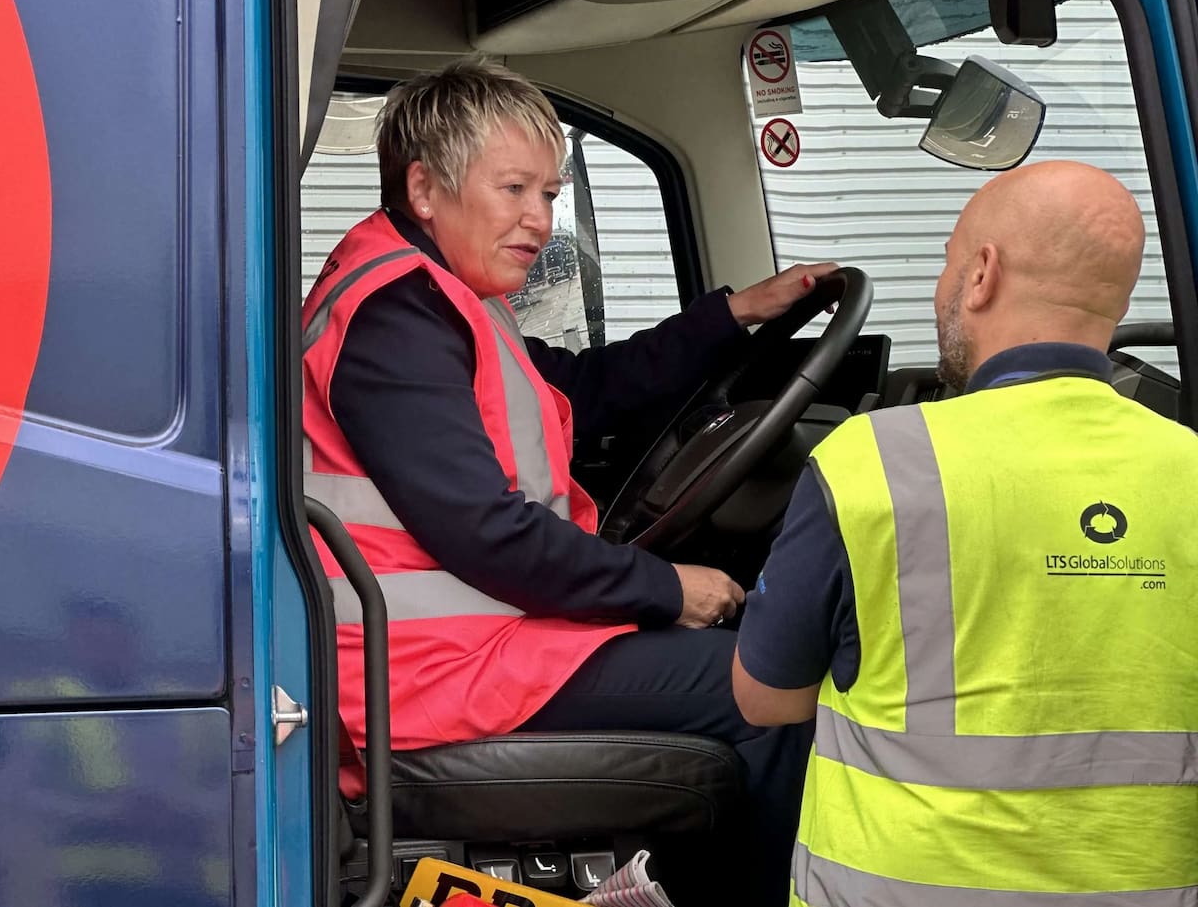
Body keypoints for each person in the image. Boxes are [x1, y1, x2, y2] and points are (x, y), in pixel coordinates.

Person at [302, 57, 833, 904]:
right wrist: (666, 587)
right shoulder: (397, 320)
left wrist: (734, 315)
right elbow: (488, 534)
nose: (540, 220)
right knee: (775, 691)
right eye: (515, 189)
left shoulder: (446, 295)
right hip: (427, 672)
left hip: (470, 647)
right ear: (425, 187)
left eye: (549, 193)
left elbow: (583, 388)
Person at [732, 160, 1198, 906]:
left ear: (981, 274)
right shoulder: (1190, 467)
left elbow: (766, 698)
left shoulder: (870, 462)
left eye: (949, 262)